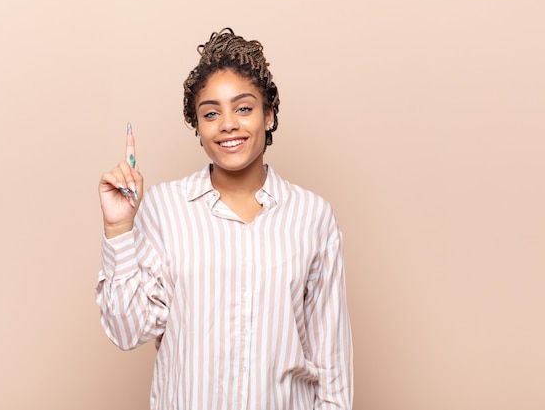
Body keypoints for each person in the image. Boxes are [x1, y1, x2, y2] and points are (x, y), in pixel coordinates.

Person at [96, 28, 353, 410]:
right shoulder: (165, 208)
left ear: (268, 116)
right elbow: (127, 329)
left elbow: (332, 362)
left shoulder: (312, 216)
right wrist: (119, 229)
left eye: (244, 108)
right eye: (211, 113)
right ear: (198, 128)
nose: (227, 124)